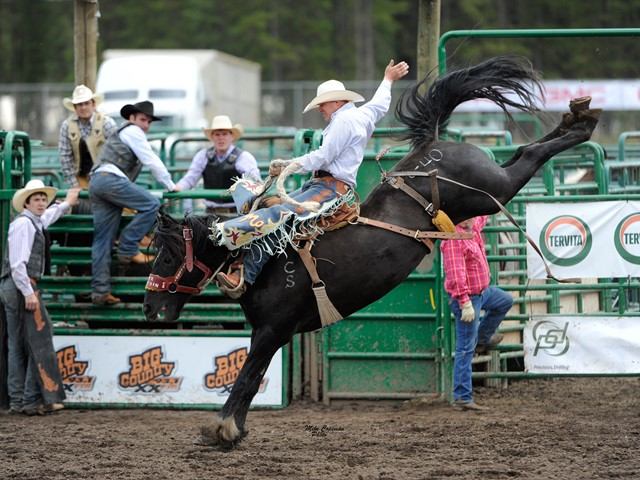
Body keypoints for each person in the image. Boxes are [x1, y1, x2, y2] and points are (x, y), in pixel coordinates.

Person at [215, 59, 410, 295]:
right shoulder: (360, 115)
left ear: (337, 101)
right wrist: (387, 80)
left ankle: (246, 274)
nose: (320, 109)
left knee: (280, 214)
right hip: (329, 185)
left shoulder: (343, 121)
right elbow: (380, 105)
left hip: (330, 188)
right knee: (271, 205)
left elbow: (324, 156)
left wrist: (291, 165)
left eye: (323, 104)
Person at [0, 180, 80, 415]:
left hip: (14, 286)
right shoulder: (25, 224)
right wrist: (28, 292)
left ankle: (18, 401)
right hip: (22, 286)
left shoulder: (29, 222)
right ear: (27, 202)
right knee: (38, 340)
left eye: (44, 199)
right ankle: (31, 400)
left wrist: (65, 204)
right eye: (37, 199)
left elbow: (47, 217)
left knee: (17, 344)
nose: (42, 203)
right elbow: (18, 265)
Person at [89, 100, 177, 306]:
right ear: (132, 118)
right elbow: (151, 159)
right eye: (142, 119)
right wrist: (170, 185)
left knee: (102, 240)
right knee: (151, 204)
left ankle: (100, 291)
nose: (145, 124)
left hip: (98, 181)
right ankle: (128, 246)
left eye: (148, 121)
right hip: (110, 180)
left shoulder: (124, 132)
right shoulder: (133, 131)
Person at [440, 216, 513, 411]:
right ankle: (462, 396)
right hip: (468, 298)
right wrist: (464, 303)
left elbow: (483, 215)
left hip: (482, 292)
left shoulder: (472, 226)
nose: (473, 219)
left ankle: (482, 339)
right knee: (465, 348)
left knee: (505, 301)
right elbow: (455, 274)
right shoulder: (454, 238)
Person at [174, 115, 260, 215]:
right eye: (217, 134)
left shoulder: (244, 157)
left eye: (224, 134)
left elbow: (255, 182)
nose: (221, 138)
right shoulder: (203, 156)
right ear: (212, 137)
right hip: (210, 213)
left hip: (236, 213)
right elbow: (190, 179)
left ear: (231, 136)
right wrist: (177, 187)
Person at [58, 85, 117, 197]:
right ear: (75, 108)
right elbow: (65, 157)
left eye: (86, 103)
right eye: (80, 104)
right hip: (81, 179)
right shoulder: (67, 126)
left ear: (93, 104)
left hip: (106, 177)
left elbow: (117, 151)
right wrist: (74, 184)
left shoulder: (107, 123)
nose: (83, 107)